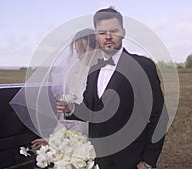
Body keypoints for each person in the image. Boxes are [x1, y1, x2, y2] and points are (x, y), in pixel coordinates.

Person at [57, 7, 166, 169]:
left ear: (123, 32)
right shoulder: (93, 70)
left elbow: (159, 116)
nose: (108, 37)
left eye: (113, 31)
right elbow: (91, 109)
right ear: (96, 35)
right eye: (102, 33)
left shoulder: (143, 66)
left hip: (132, 161)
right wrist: (70, 109)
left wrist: (148, 161)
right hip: (100, 159)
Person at [32, 28, 99, 149]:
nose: (79, 56)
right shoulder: (75, 76)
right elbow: (65, 117)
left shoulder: (101, 77)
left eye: (84, 50)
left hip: (94, 138)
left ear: (97, 49)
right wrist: (55, 139)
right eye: (77, 51)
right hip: (74, 138)